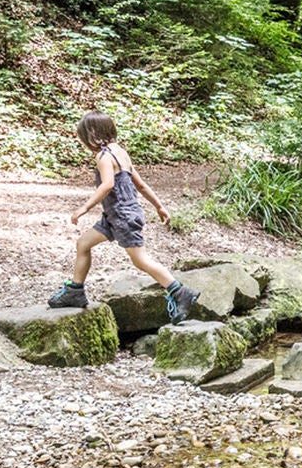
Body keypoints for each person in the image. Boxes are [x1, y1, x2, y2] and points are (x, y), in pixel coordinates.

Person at [49, 111, 201, 324]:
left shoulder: (103, 157)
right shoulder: (120, 152)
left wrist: (84, 207)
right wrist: (159, 206)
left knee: (141, 260)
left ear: (92, 135)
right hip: (115, 215)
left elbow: (108, 184)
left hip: (122, 215)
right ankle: (75, 290)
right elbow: (140, 184)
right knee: (83, 243)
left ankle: (180, 292)